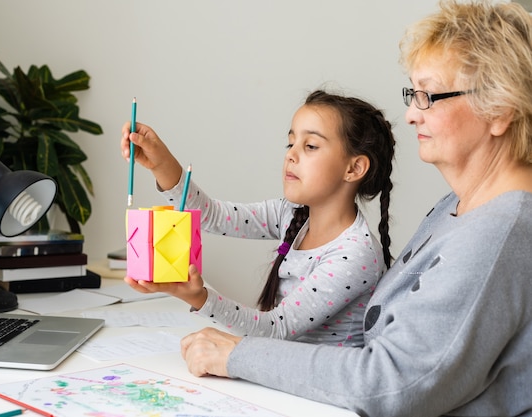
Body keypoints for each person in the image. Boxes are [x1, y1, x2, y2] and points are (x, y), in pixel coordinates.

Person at [172, 1, 532, 416]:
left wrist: (237, 355)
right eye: (412, 94)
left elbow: (392, 384)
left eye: (429, 95)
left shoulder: (497, 235)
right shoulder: (459, 205)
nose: (412, 114)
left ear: (499, 110)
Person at [120, 90, 396, 346]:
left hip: (318, 393)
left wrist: (198, 297)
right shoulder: (292, 215)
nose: (291, 154)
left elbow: (276, 327)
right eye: (290, 143)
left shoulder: (355, 254)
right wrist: (161, 162)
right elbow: (213, 216)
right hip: (279, 376)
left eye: (310, 146)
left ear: (354, 167)